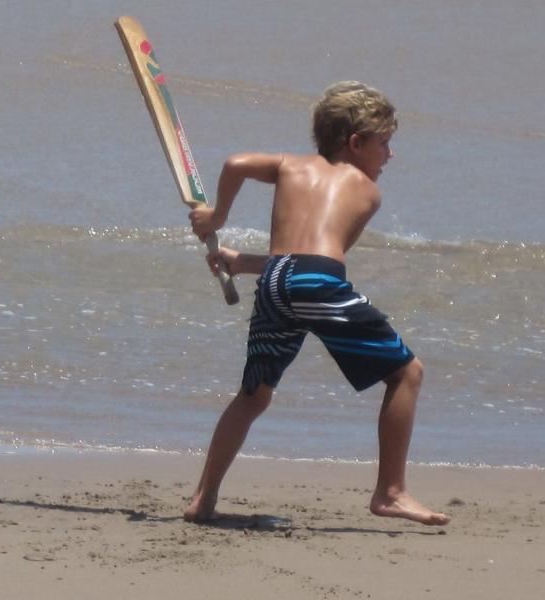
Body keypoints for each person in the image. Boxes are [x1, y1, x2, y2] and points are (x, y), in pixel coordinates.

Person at [185, 81, 449, 526]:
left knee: (253, 396)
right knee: (407, 372)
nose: (390, 155)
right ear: (356, 143)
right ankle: (391, 491)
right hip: (315, 282)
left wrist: (219, 225)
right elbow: (320, 261)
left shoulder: (290, 165)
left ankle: (203, 497)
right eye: (384, 144)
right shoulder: (365, 190)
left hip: (276, 281)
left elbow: (236, 166)